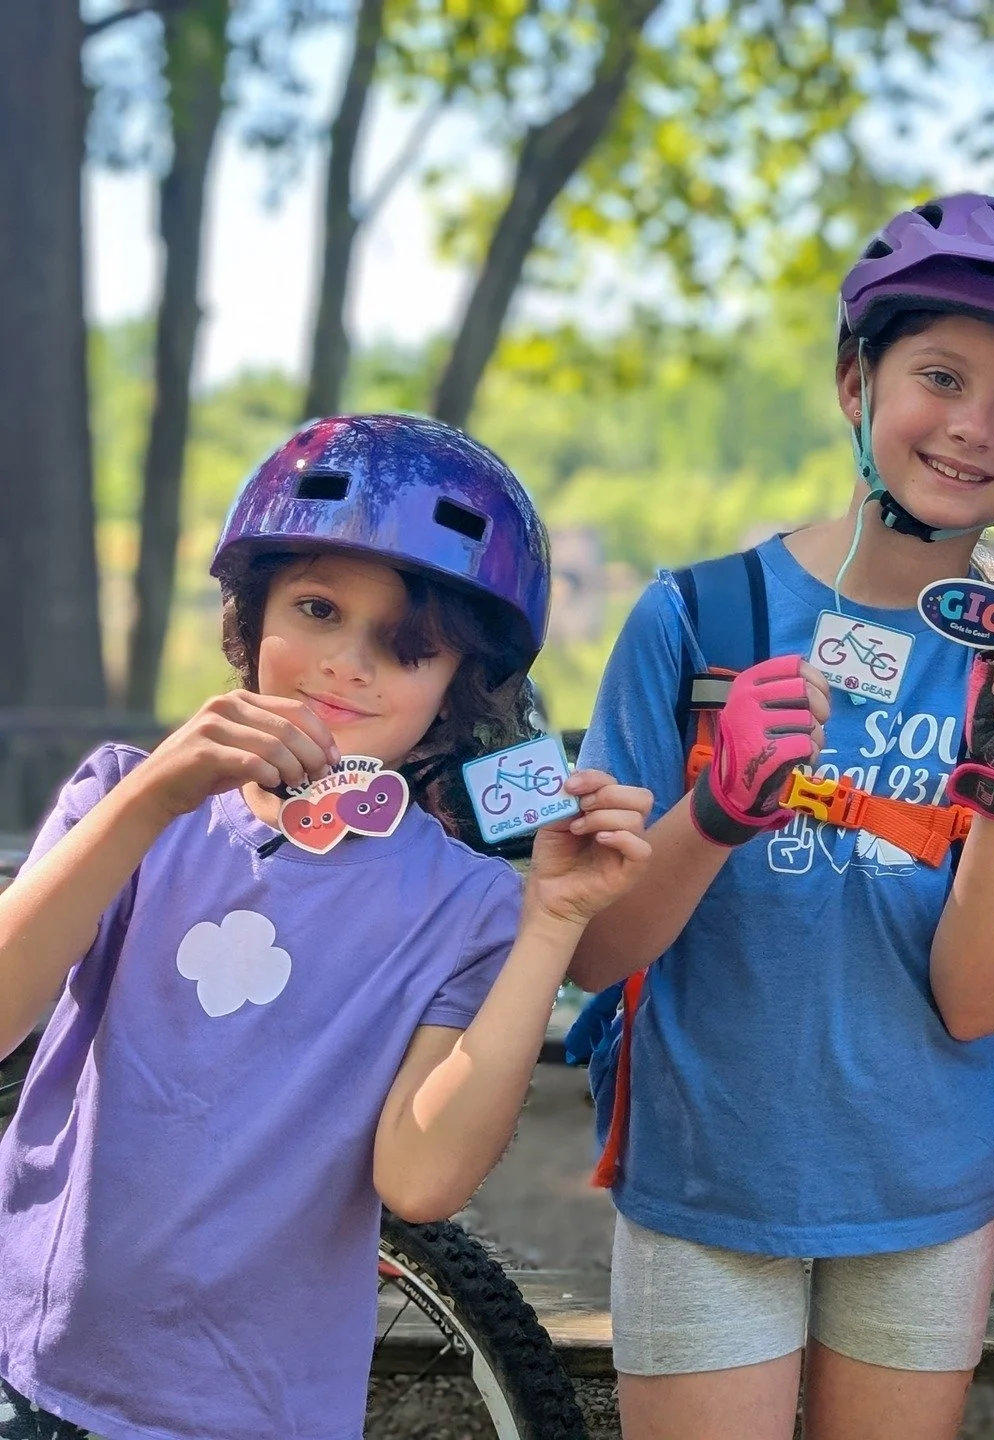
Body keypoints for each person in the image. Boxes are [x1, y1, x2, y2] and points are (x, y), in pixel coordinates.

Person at [567, 194, 994, 1440]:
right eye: (940, 375)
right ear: (853, 381)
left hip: (926, 1196)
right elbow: (591, 950)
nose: (972, 427)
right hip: (706, 1183)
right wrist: (714, 813)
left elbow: (986, 1003)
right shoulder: (697, 620)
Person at [0, 414, 653, 1440]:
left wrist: (551, 924)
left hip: (268, 1413)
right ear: (247, 615)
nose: (347, 667)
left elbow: (423, 1179)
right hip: (35, 1375)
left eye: (407, 647)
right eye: (314, 607)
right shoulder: (125, 800)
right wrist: (152, 800)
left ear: (457, 689)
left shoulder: (473, 905)